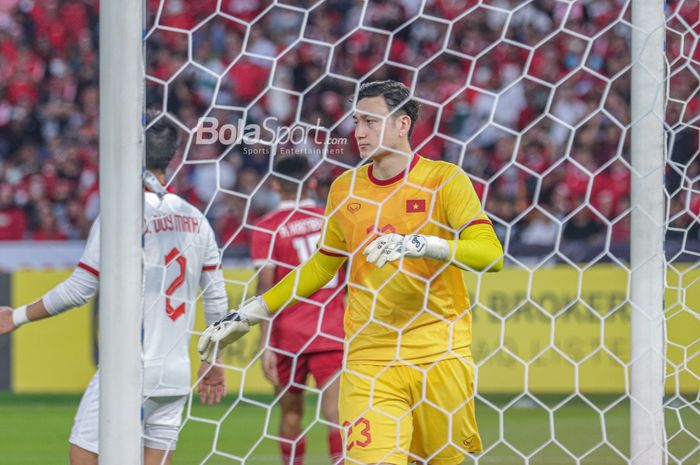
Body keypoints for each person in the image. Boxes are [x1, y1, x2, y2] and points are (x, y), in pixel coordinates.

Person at [199, 80, 504, 465]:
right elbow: (321, 267)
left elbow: (491, 255)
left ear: (402, 125)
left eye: (370, 122)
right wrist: (251, 313)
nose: (358, 132)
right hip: (368, 358)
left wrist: (422, 244)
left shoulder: (444, 179)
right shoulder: (345, 189)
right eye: (357, 121)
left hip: (437, 354)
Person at [0, 114, 229, 465]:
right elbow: (217, 300)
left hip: (130, 365)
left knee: (84, 454)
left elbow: (80, 288)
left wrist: (16, 316)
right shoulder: (196, 219)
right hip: (175, 370)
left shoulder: (122, 213)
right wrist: (214, 361)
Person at [251, 155, 346, 465]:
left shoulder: (267, 228)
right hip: (331, 331)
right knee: (337, 415)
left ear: (276, 186)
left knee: (291, 413)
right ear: (314, 183)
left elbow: (265, 289)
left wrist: (265, 345)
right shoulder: (332, 219)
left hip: (287, 338)